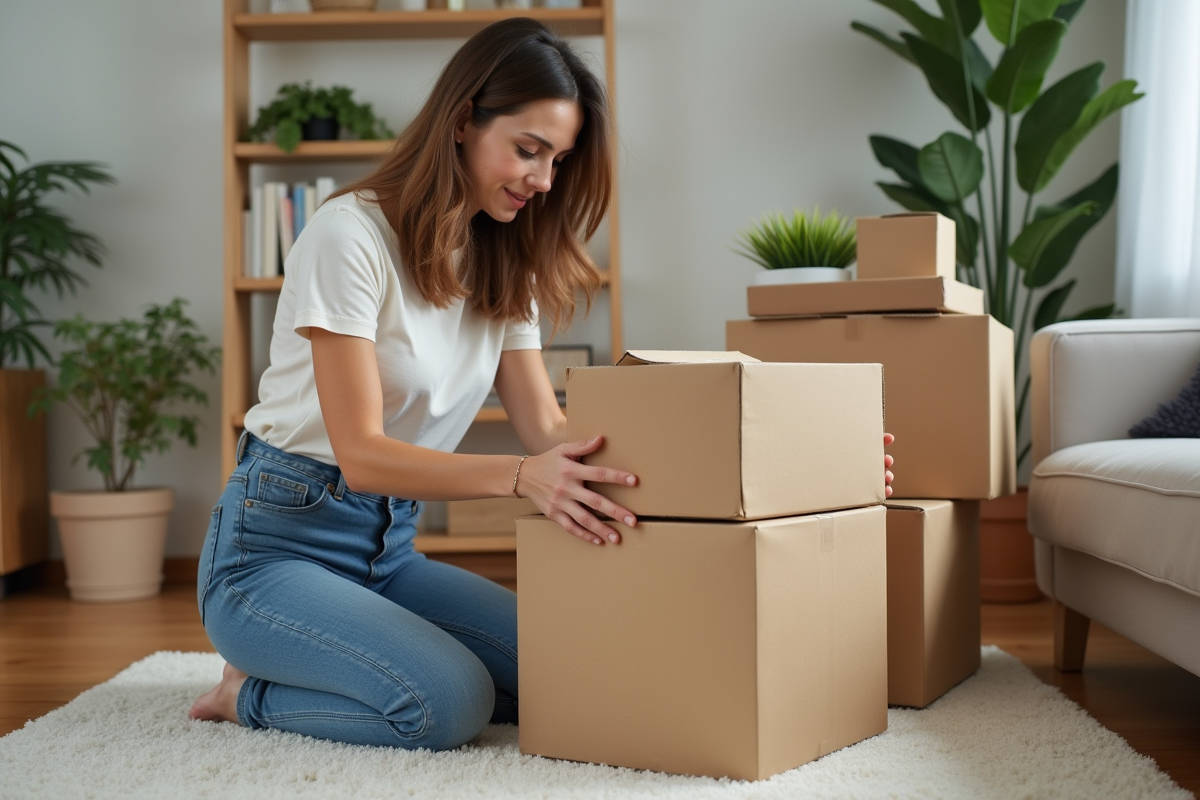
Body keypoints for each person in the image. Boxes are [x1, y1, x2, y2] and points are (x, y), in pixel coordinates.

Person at [189, 18, 895, 751]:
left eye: (557, 160)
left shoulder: (502, 262)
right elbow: (362, 455)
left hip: (387, 552)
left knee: (572, 671)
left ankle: (349, 654)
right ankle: (247, 693)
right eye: (528, 150)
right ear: (463, 121)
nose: (543, 180)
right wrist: (525, 478)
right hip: (273, 550)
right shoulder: (348, 237)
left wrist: (804, 466)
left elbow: (555, 435)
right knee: (447, 704)